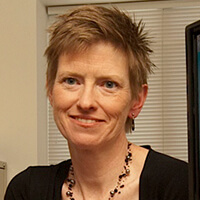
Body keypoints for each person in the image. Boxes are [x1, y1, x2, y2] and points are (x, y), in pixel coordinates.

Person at [4, 5, 188, 200]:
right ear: (50, 89)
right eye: (71, 81)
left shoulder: (181, 185)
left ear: (137, 100)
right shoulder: (26, 190)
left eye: (109, 84)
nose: (86, 102)